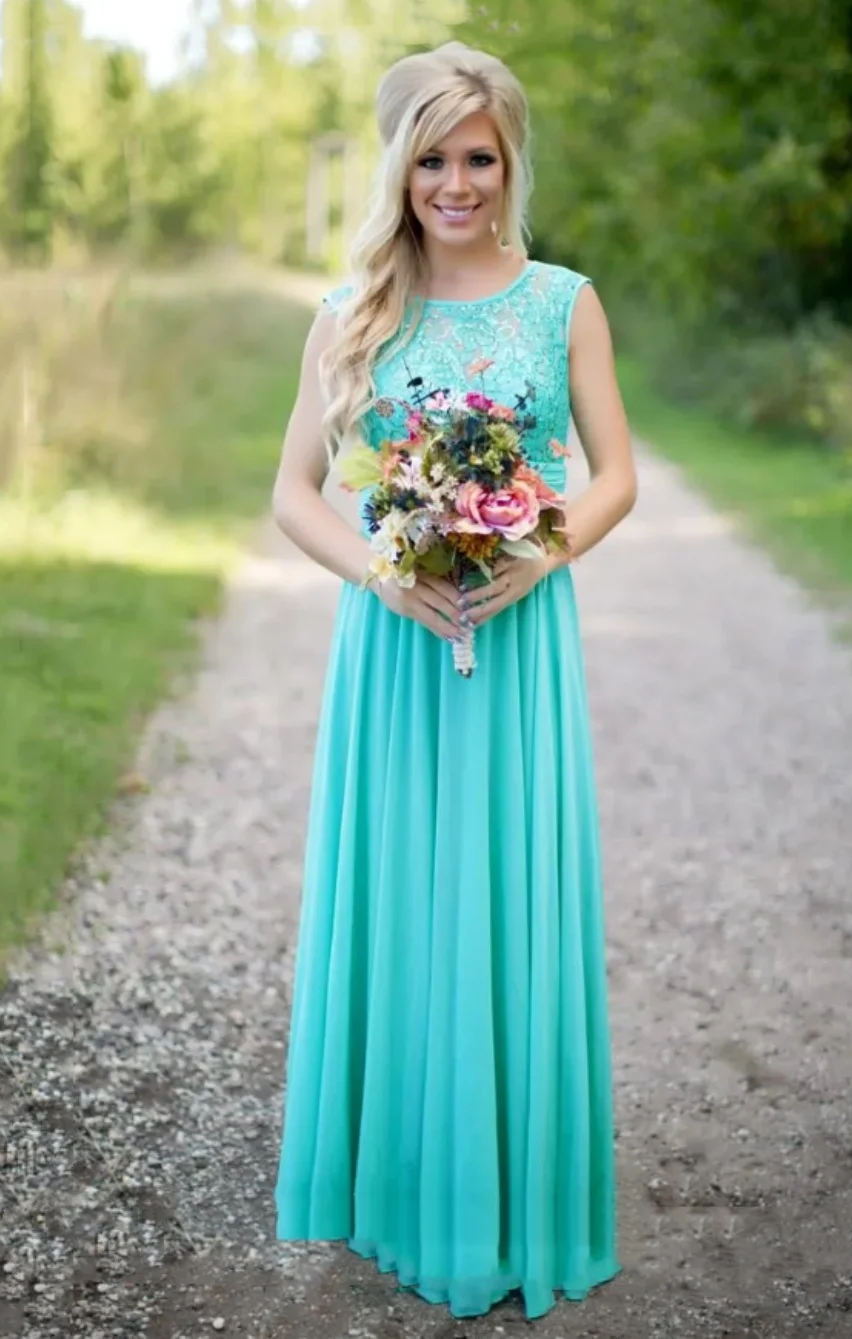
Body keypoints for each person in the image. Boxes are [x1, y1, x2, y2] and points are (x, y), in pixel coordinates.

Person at [271, 39, 637, 1322]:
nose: (456, 181)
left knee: (505, 903)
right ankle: (405, 1193)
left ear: (509, 160)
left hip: (518, 638)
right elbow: (292, 499)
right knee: (408, 904)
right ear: (399, 164)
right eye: (431, 156)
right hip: (398, 648)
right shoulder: (352, 313)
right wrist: (384, 575)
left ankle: (514, 1202)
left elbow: (614, 475)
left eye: (478, 155)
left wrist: (536, 553)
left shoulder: (562, 299)